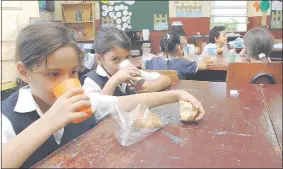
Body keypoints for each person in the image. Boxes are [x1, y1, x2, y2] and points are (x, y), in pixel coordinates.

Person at [2, 23, 205, 168]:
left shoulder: (79, 102)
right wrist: (49, 122)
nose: (67, 82)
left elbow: (119, 102)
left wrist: (177, 95)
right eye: (53, 74)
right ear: (23, 72)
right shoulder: (7, 118)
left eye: (73, 72)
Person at [81, 25, 171, 95]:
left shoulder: (130, 72)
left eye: (127, 57)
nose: (123, 64)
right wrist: (114, 81)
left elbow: (165, 79)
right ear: (99, 59)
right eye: (115, 59)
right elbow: (99, 107)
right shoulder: (91, 82)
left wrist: (153, 86)